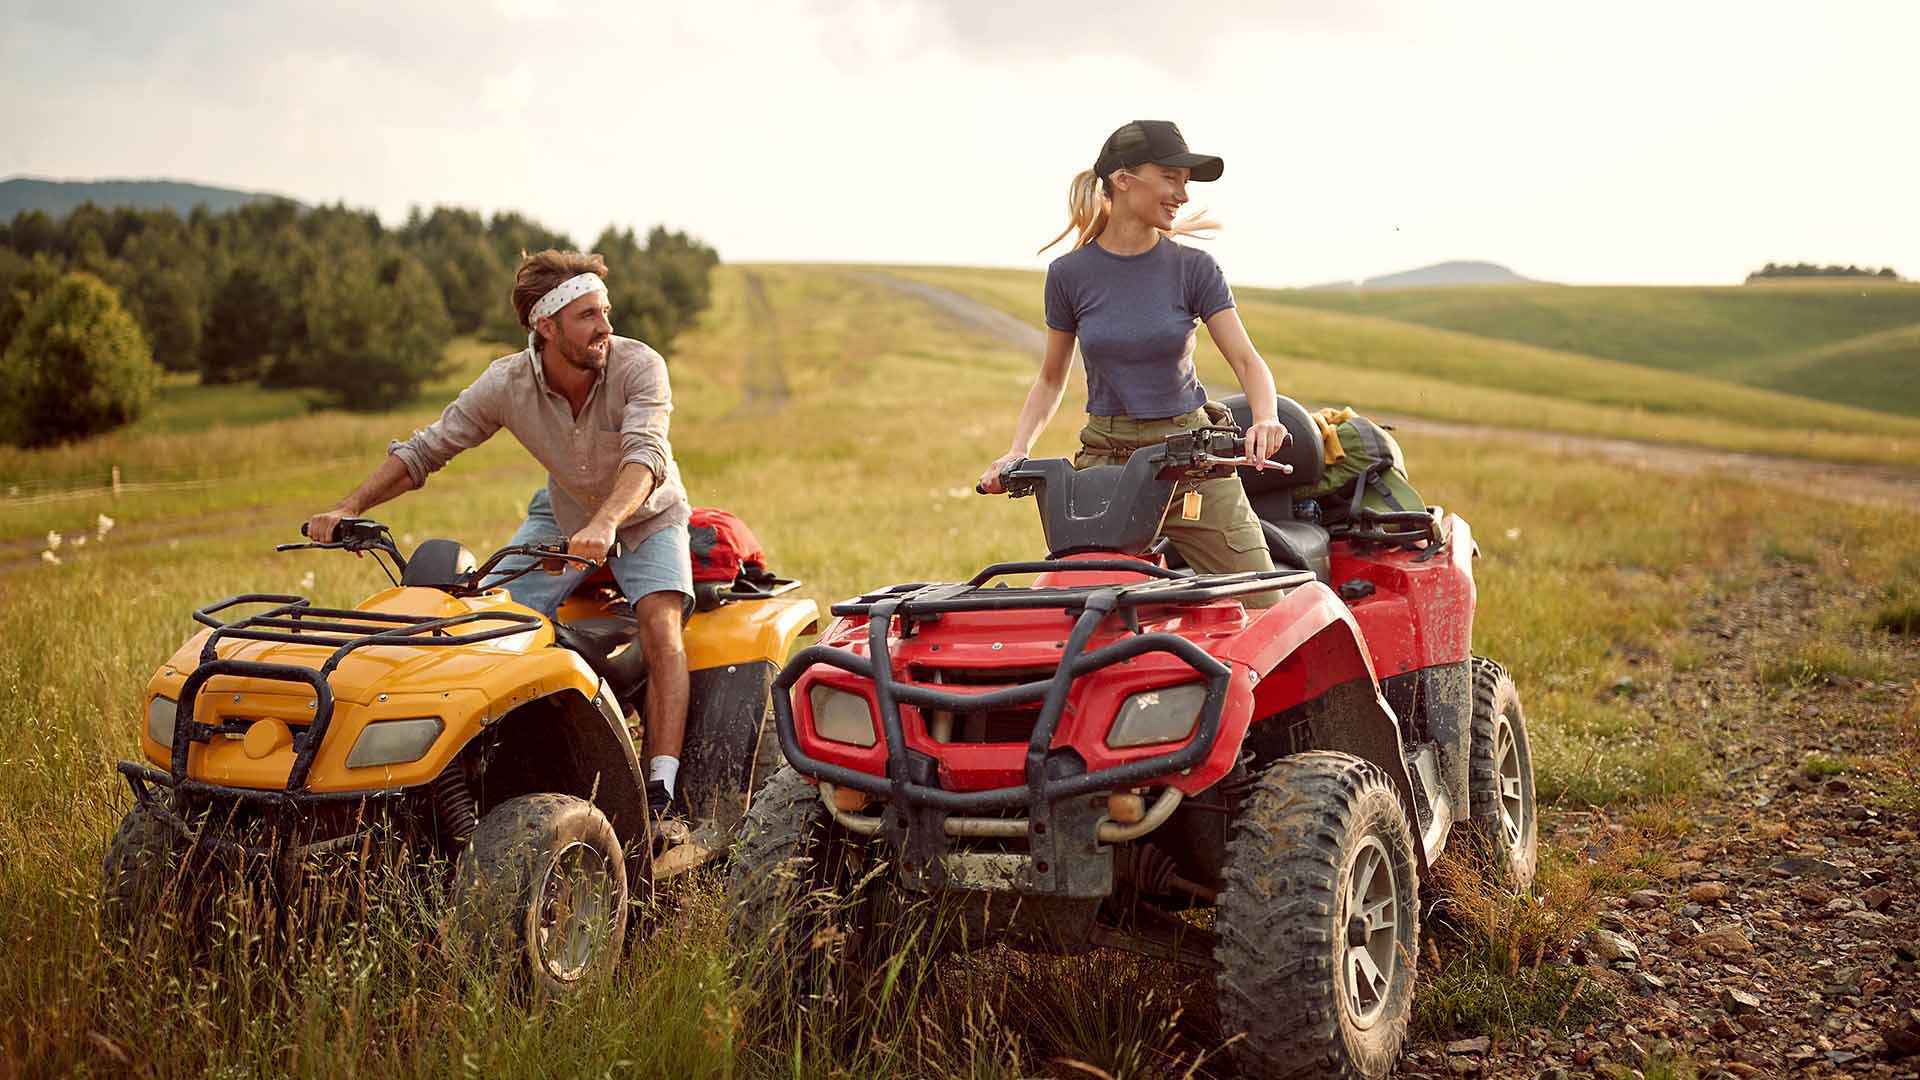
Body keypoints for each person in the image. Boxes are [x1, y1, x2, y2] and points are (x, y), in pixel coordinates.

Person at [305, 249, 694, 829]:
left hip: (647, 514)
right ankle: (493, 767)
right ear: (546, 325)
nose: (606, 327)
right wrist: (349, 505)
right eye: (588, 315)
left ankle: (659, 782)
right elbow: (427, 449)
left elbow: (646, 456)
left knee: (662, 623)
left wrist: (608, 521)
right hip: (562, 515)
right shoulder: (506, 382)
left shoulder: (640, 365)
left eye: (605, 311)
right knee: (493, 623)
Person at [976, 120, 1291, 606]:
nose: (1182, 195)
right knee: (1083, 613)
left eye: (1185, 182)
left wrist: (1266, 418)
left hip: (1192, 464)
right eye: (1170, 178)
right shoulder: (1069, 275)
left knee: (1266, 604)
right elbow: (1050, 378)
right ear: (1124, 179)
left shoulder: (1194, 269)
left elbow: (1248, 362)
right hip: (1106, 463)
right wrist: (1017, 449)